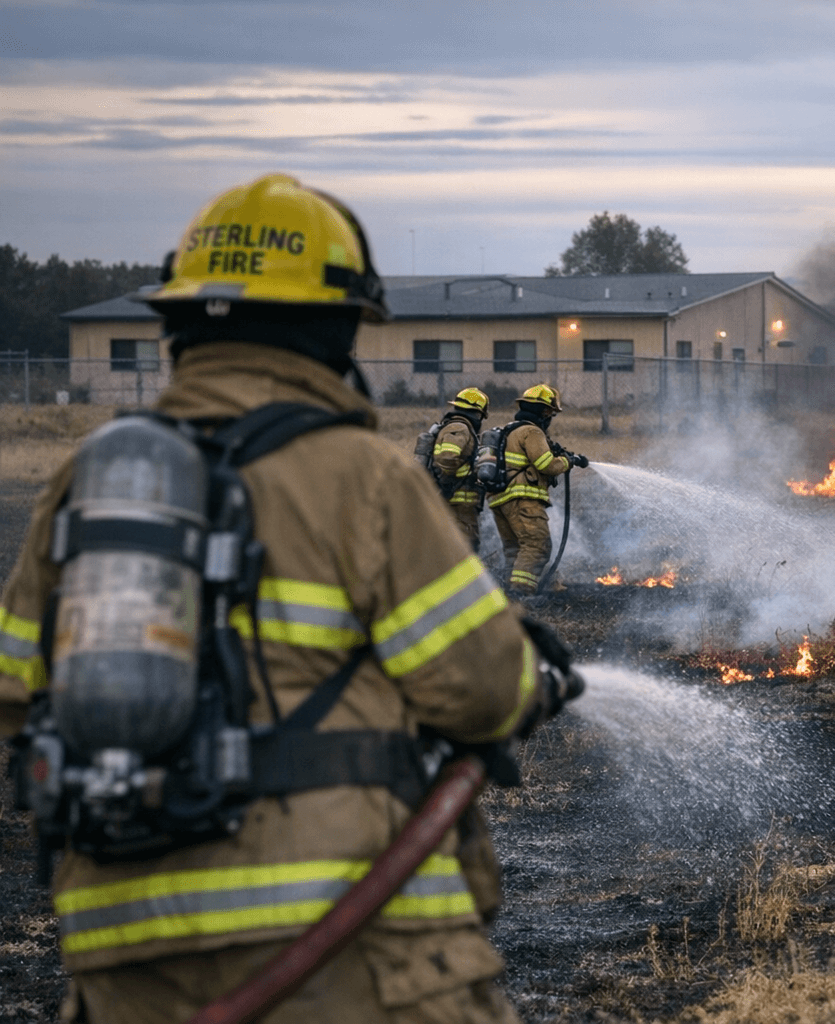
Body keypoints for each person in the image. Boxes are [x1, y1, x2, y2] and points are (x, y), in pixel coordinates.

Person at [0, 173, 574, 1024]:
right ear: (334, 328)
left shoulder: (90, 480)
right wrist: (530, 666)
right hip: (343, 950)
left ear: (181, 324)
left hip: (124, 952)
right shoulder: (361, 475)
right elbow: (481, 689)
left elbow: (18, 691)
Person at [485, 384, 588, 594]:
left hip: (500, 500)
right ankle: (522, 593)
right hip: (522, 499)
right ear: (544, 412)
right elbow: (546, 465)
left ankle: (509, 593)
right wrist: (569, 461)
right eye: (551, 413)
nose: (551, 418)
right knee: (537, 546)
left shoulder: (509, 430)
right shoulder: (532, 431)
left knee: (515, 549)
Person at [431, 387, 491, 550]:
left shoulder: (458, 427)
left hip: (459, 505)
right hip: (456, 502)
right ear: (477, 413)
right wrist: (469, 474)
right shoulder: (459, 428)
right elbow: (447, 458)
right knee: (463, 549)